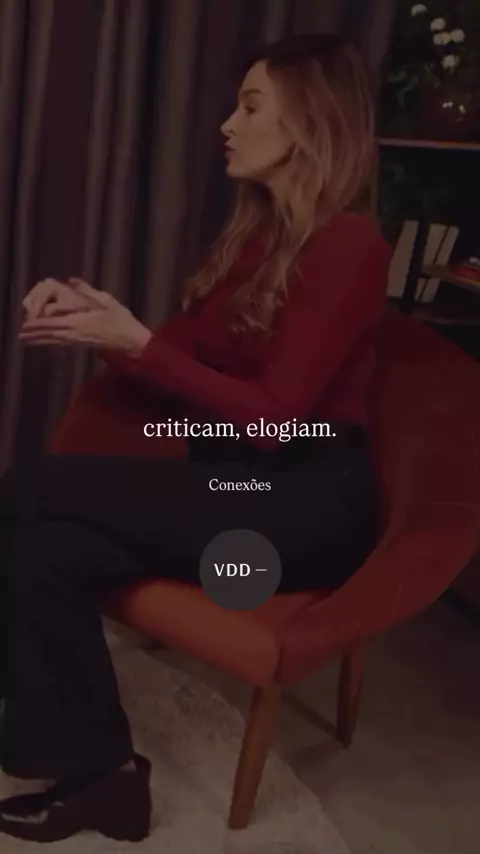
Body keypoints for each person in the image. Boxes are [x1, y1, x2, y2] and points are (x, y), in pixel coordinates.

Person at [0, 33, 391, 842]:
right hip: (230, 485)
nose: (226, 124)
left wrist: (138, 342)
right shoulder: (255, 241)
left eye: (250, 106)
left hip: (303, 507)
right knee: (46, 554)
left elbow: (276, 421)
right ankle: (106, 779)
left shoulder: (350, 245)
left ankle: (34, 718)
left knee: (33, 485)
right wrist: (95, 322)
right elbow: (171, 364)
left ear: (310, 122)